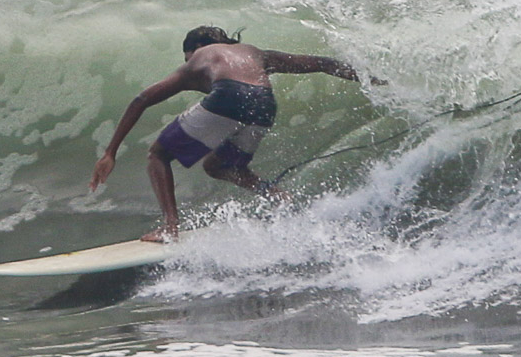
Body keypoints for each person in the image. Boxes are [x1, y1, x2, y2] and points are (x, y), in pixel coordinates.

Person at [89, 25, 375, 242]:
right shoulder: (255, 53)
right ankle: (278, 197)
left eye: (186, 54)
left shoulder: (200, 56)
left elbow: (142, 99)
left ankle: (170, 227)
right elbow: (322, 64)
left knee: (158, 155)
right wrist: (371, 79)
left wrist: (110, 152)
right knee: (219, 166)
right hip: (264, 104)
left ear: (198, 46)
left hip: (229, 96)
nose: (188, 60)